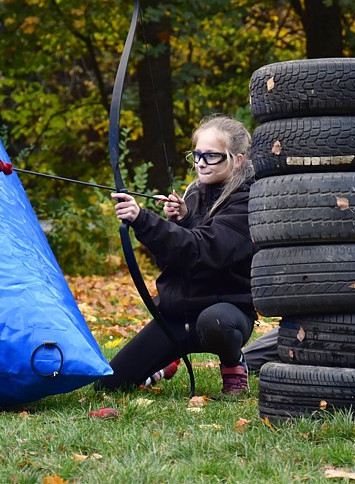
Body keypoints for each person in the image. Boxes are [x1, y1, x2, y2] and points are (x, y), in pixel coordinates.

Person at [94, 115, 258, 395]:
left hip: (226, 312)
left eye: (212, 156)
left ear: (238, 160)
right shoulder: (193, 195)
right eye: (196, 155)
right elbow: (171, 259)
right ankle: (166, 361)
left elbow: (203, 250)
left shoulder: (247, 202)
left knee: (216, 322)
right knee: (109, 385)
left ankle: (233, 363)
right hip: (178, 314)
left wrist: (143, 220)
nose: (201, 162)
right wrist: (182, 221)